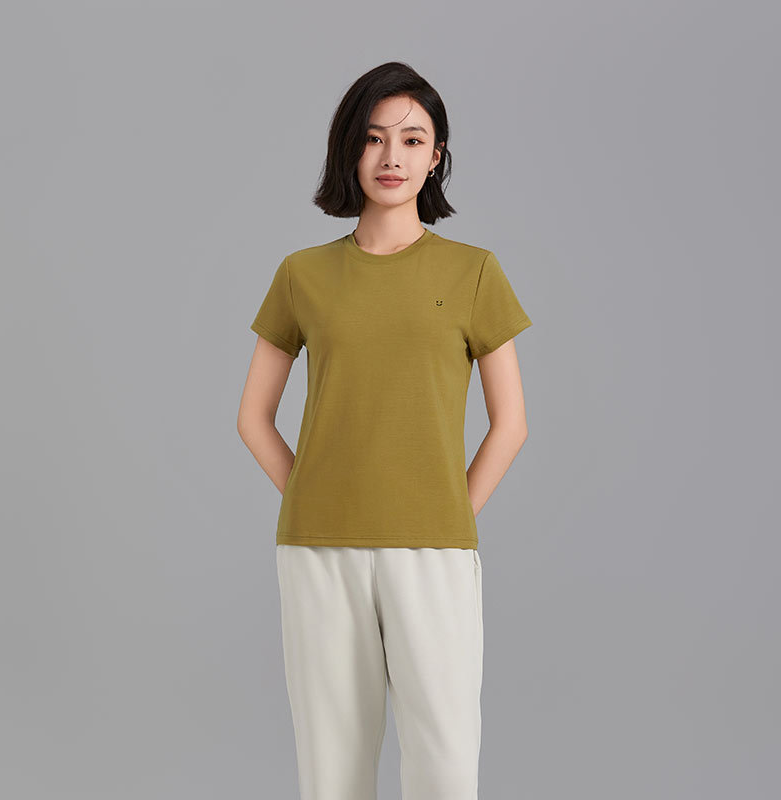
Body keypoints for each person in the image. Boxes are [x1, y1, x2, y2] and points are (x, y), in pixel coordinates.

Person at [237, 61, 532, 800]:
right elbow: (252, 417)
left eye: (412, 139)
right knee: (332, 764)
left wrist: (451, 510)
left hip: (434, 547)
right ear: (349, 150)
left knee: (445, 758)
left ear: (436, 157)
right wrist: (313, 495)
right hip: (318, 549)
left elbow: (511, 424)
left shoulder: (474, 272)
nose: (392, 156)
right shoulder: (302, 274)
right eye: (373, 138)